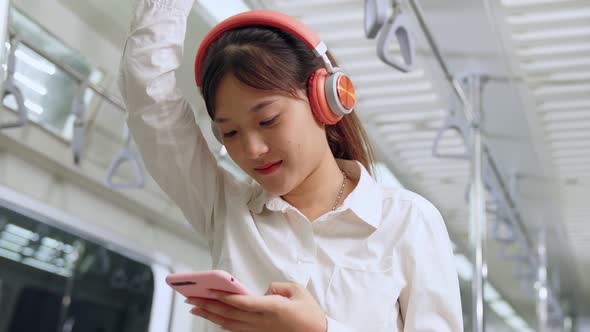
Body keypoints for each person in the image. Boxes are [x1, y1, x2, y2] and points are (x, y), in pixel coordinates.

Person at [118, 0, 463, 331]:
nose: (252, 149)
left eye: (268, 121)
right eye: (231, 132)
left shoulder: (407, 222)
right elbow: (146, 95)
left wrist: (320, 330)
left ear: (325, 101)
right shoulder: (226, 208)